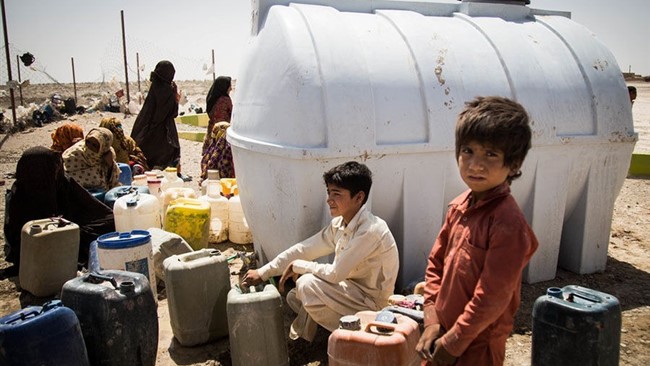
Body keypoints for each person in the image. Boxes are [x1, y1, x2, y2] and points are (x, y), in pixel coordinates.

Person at [415, 96, 539, 366]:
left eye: (491, 154)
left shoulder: (507, 223)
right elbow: (436, 263)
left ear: (514, 164)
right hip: (443, 332)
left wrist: (455, 341)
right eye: (468, 151)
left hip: (477, 344)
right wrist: (432, 318)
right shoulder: (459, 207)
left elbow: (493, 296)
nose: (475, 164)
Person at [241, 161, 399, 342]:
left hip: (372, 304)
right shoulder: (339, 225)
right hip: (352, 293)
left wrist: (300, 266)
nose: (329, 199)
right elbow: (304, 249)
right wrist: (263, 272)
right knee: (295, 296)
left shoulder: (370, 230)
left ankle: (359, 337)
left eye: (337, 194)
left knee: (307, 285)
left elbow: (335, 274)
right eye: (329, 193)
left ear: (359, 198)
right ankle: (335, 329)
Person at [3, 146, 115, 270]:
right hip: (36, 245)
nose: (58, 171)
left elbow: (96, 209)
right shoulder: (20, 194)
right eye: (53, 168)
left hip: (70, 224)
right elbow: (17, 237)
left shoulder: (62, 181)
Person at [131, 60, 181, 171]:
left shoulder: (155, 86)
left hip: (147, 127)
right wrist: (176, 99)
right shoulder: (168, 90)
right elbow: (172, 113)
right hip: (164, 132)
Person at [203, 76, 233, 154]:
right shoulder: (225, 100)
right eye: (229, 86)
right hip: (222, 135)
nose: (231, 88)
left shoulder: (211, 99)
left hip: (212, 132)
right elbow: (232, 114)